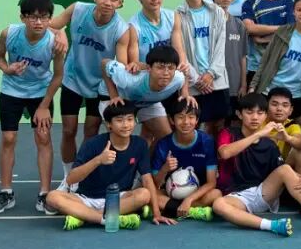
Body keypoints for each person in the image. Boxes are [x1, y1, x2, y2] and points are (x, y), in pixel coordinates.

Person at [49, 0, 131, 190]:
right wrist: (59, 32)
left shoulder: (122, 30)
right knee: (68, 130)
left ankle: (80, 175)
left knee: (91, 132)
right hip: (73, 79)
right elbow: (49, 25)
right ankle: (67, 177)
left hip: (99, 86)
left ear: (120, 3)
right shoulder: (77, 10)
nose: (108, 3)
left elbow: (120, 67)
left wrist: (116, 92)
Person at [212, 93, 301, 236]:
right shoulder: (228, 133)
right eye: (249, 112)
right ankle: (272, 225)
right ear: (239, 114)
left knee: (285, 169)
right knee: (219, 205)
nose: (255, 117)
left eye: (260, 113)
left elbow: (283, 172)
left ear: (265, 115)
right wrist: (258, 134)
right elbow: (225, 153)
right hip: (236, 196)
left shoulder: (269, 145)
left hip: (262, 193)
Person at [0, 0, 65, 216]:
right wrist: (7, 68)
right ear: (23, 17)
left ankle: (44, 194)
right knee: (8, 138)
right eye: (33, 17)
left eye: (44, 17)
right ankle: (6, 192)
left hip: (41, 92)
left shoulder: (55, 43)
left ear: (50, 19)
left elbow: (58, 76)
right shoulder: (9, 34)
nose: (38, 22)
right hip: (11, 90)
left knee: (43, 137)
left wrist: (44, 105)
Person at [44, 102, 171, 231]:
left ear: (135, 121)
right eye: (119, 120)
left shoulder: (140, 145)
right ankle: (106, 218)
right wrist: (98, 160)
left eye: (130, 119)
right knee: (52, 197)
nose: (126, 125)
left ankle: (84, 216)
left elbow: (147, 180)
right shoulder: (93, 144)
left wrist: (157, 214)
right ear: (109, 124)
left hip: (118, 199)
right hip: (87, 199)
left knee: (144, 194)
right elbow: (71, 179)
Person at [170, 0, 229, 135]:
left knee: (218, 126)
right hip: (191, 83)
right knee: (190, 125)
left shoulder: (217, 11)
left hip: (216, 80)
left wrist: (211, 74)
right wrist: (196, 79)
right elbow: (179, 51)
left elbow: (221, 46)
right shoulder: (177, 15)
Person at [250, 0, 301, 132]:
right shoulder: (283, 32)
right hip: (270, 91)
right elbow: (265, 61)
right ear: (293, 12)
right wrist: (253, 86)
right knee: (258, 132)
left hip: (295, 94)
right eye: (299, 10)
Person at [148, 94, 220, 222]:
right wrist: (165, 168)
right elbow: (156, 184)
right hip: (170, 193)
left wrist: (189, 199)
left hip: (197, 194)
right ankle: (192, 212)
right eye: (180, 117)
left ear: (197, 120)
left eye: (191, 117)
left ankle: (172, 209)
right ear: (172, 120)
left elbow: (211, 183)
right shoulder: (163, 144)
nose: (186, 122)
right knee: (148, 194)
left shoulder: (206, 142)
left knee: (216, 194)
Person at [126, 0, 175, 144]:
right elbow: (134, 63)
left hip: (165, 84)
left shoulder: (173, 17)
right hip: (142, 87)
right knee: (161, 135)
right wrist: (152, 68)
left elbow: (179, 53)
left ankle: (149, 162)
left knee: (152, 135)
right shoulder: (134, 26)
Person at [99, 45, 189, 121]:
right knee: (120, 133)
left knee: (164, 133)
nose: (166, 73)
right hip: (117, 96)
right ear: (149, 68)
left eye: (171, 68)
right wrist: (114, 96)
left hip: (146, 102)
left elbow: (185, 75)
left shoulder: (178, 78)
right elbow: (104, 63)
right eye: (160, 67)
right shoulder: (129, 79)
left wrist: (185, 93)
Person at [242, 0, 294, 83]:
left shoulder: (288, 3)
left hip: (282, 67)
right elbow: (249, 28)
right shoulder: (250, 3)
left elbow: (291, 31)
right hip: (256, 67)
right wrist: (280, 28)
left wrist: (261, 38)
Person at [212, 0, 248, 125]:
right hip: (213, 83)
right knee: (214, 124)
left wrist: (243, 84)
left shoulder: (239, 24)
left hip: (234, 84)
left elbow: (243, 56)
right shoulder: (208, 22)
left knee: (234, 124)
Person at [265, 86, 301, 176]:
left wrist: (287, 138)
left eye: (285, 105)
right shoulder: (258, 120)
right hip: (258, 166)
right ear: (266, 106)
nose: (279, 109)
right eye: (274, 104)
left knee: (299, 152)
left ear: (290, 110)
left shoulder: (291, 124)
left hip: (279, 169)